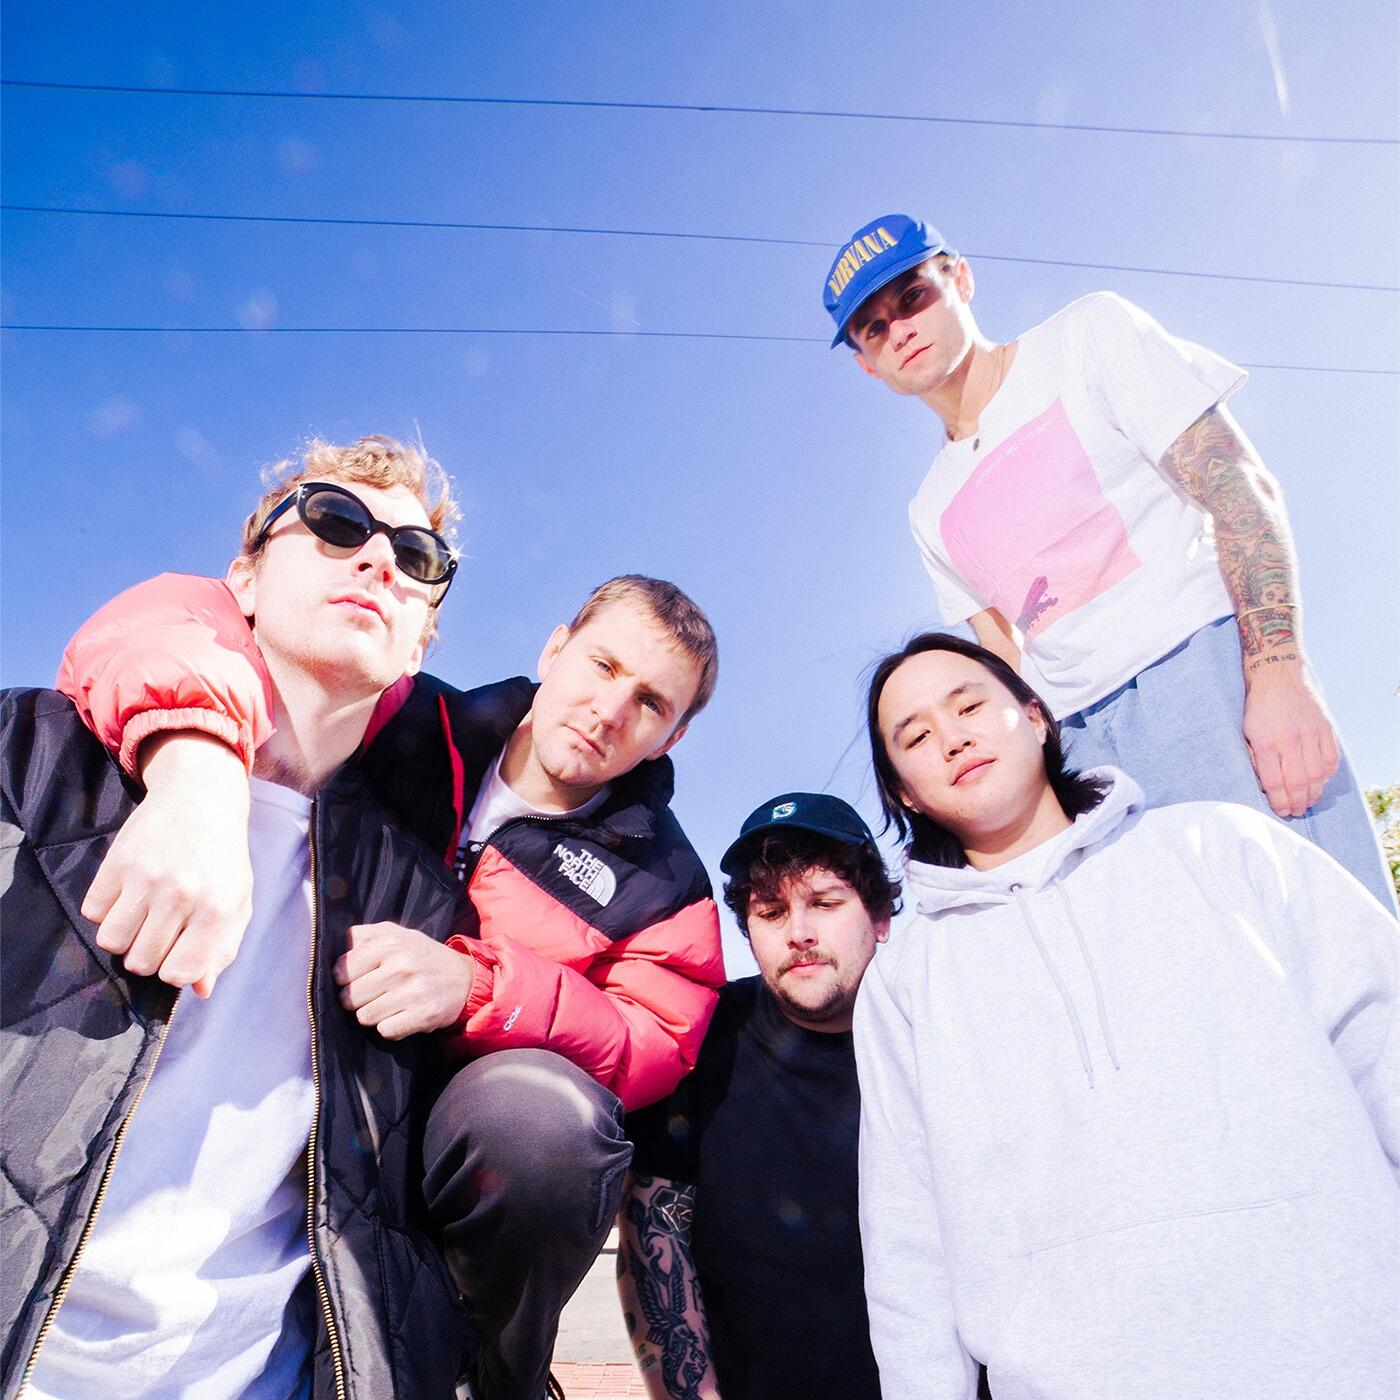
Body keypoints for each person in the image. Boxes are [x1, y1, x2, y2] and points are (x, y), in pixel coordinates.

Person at [52, 556, 727, 1400]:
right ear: (556, 649)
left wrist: (480, 988)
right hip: (305, 1069)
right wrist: (197, 768)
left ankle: (494, 1376)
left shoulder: (666, 881)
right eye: (603, 665)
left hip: (457, 1139)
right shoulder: (409, 717)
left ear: (673, 737)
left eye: (651, 703)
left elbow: (655, 1040)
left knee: (544, 1126)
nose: (610, 709)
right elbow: (191, 616)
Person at [2, 436, 469, 1398]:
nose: (378, 560)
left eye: (417, 556)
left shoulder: (421, 899)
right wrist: (196, 770)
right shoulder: (30, 760)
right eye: (336, 522)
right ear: (243, 580)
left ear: (421, 643)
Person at [856, 630, 1400, 1399]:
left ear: (1037, 717)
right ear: (905, 793)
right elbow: (907, 1240)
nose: (952, 738)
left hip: (1348, 1359)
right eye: (914, 737)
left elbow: (1384, 1048)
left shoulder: (1226, 845)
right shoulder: (905, 980)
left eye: (969, 705)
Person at [823, 214, 1395, 911]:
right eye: (874, 328)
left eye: (913, 297)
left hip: (1203, 674)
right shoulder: (928, 508)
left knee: (1330, 919)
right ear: (866, 362)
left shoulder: (1085, 336)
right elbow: (1001, 662)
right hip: (1082, 750)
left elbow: (1238, 489)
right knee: (1190, 959)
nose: (900, 331)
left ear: (960, 279)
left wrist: (1278, 673)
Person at [617, 793, 902, 1400]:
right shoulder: (701, 1036)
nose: (799, 934)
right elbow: (653, 1231)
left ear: (878, 916)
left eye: (825, 903)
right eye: (771, 912)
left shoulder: (937, 1032)